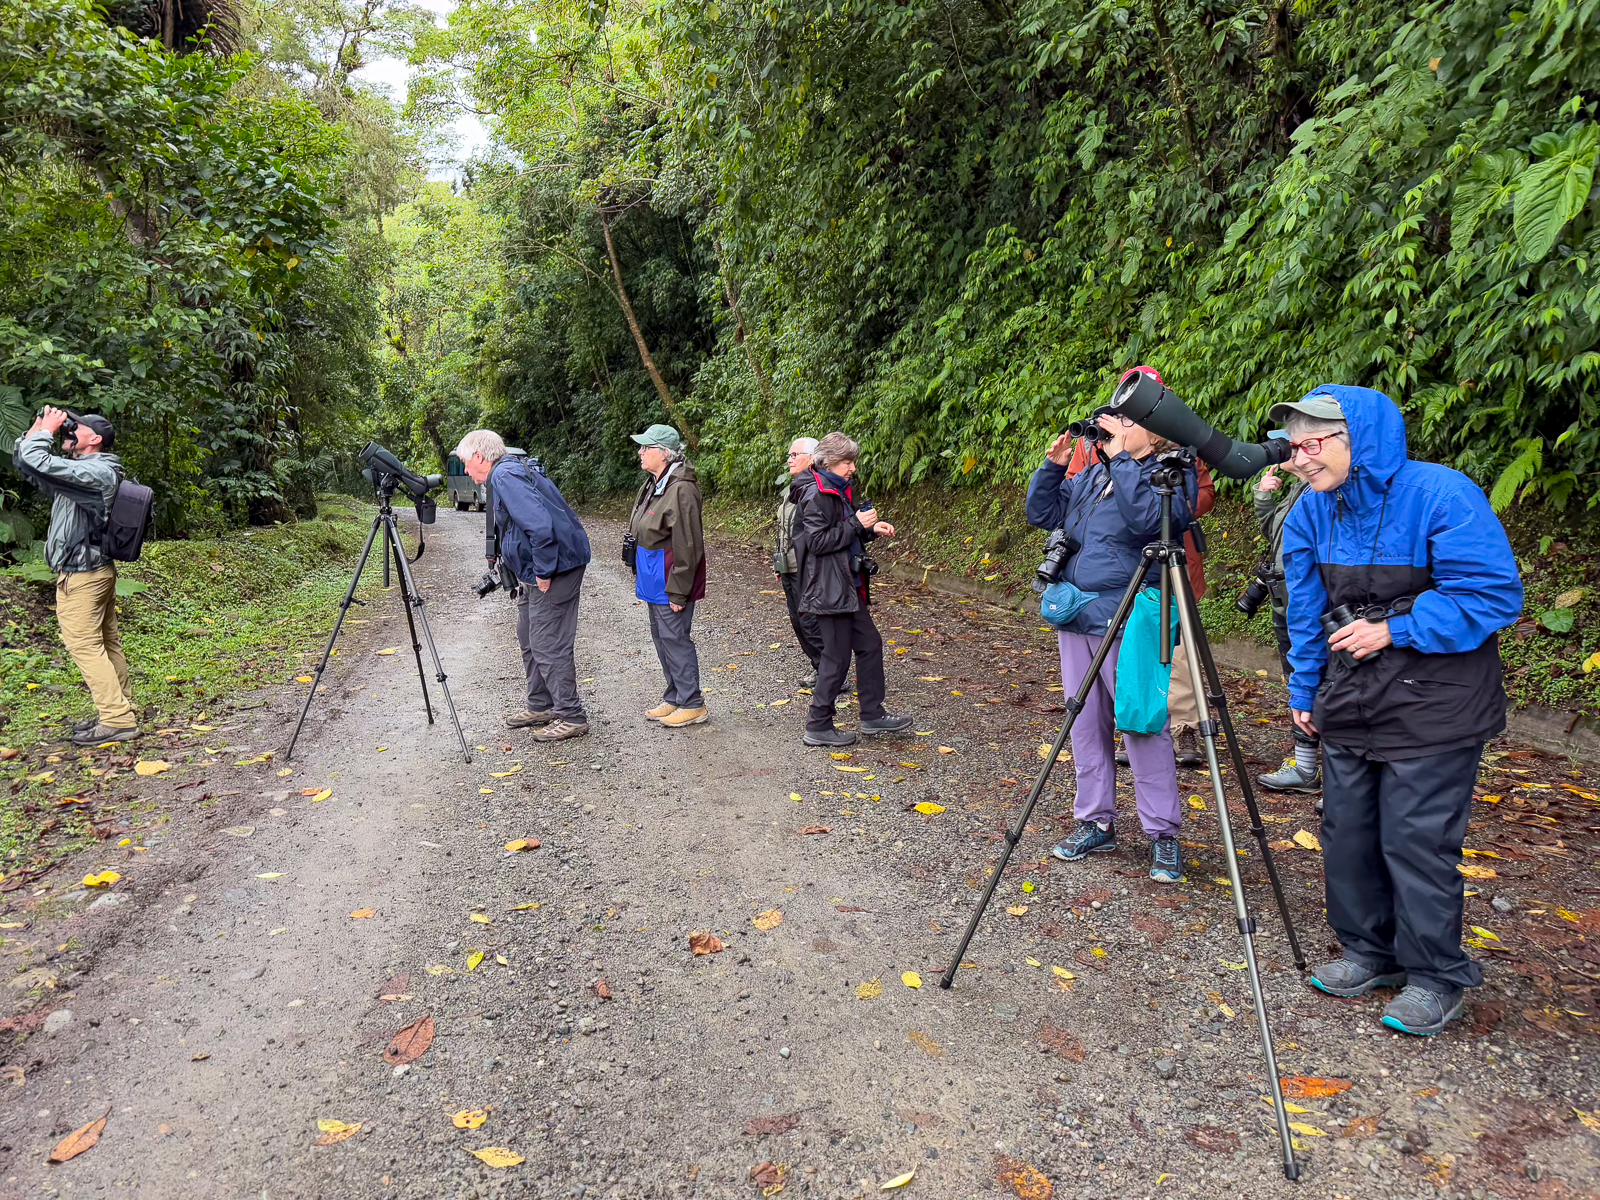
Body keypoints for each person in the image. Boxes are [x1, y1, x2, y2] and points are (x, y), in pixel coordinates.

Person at [1277, 386, 1522, 1036]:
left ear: (1359, 437)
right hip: (1351, 700)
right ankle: (1370, 951)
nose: (1298, 459)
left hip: (1437, 708)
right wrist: (1305, 690)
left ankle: (1437, 978)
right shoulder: (1310, 512)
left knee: (1415, 843)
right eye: (1292, 447)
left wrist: (1397, 628)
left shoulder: (1439, 495)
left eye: (1312, 444)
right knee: (1347, 832)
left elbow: (1494, 594)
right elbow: (1304, 611)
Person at [1026, 406, 1198, 883]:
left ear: (1152, 429)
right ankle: (1095, 821)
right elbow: (1042, 513)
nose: (1110, 431)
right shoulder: (1093, 474)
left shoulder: (1168, 475)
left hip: (1130, 617)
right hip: (1078, 614)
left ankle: (1163, 834)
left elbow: (1149, 521)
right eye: (1109, 423)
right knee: (1083, 724)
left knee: (1141, 721)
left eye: (1123, 421)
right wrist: (1055, 467)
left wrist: (1121, 460)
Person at [1063, 367, 1215, 767]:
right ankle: (1129, 736)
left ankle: (1183, 727)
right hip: (1110, 575)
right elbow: (1075, 493)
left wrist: (1171, 514)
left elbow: (1195, 497)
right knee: (1106, 687)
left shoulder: (1178, 446)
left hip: (1164, 569)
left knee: (1171, 657)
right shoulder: (1106, 439)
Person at [12, 407, 139, 746]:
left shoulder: (96, 471)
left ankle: (117, 719)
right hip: (93, 571)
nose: (68, 432)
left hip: (83, 574)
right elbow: (30, 465)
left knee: (83, 644)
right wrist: (38, 427)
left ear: (95, 440)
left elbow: (41, 460)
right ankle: (121, 707)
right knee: (105, 643)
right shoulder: (82, 472)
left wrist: (46, 433)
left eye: (75, 428)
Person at [456, 430, 593, 742]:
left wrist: (543, 570)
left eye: (465, 463)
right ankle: (541, 704)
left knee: (547, 640)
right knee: (528, 634)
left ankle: (571, 716)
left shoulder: (505, 475)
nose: (465, 470)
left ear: (479, 457)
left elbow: (540, 527)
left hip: (556, 567)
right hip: (533, 571)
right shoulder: (507, 471)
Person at [792, 432, 914, 747]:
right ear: (829, 462)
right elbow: (818, 543)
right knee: (835, 658)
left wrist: (869, 530)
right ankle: (818, 724)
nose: (853, 468)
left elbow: (842, 533)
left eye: (853, 462)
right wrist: (857, 525)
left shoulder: (836, 488)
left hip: (844, 587)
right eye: (848, 462)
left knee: (869, 644)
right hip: (829, 589)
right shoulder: (817, 493)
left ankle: (872, 714)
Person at [628, 424, 708, 727]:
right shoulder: (655, 482)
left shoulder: (682, 487)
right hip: (653, 574)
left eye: (645, 447)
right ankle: (675, 695)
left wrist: (679, 591)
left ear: (663, 453)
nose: (640, 452)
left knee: (675, 638)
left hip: (670, 577)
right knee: (662, 637)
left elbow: (688, 543)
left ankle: (692, 703)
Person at [1252, 450, 1320, 793]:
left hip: (1311, 606)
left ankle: (1318, 770)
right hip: (1286, 605)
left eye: (1287, 448)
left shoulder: (1322, 493)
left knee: (1320, 682)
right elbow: (1274, 535)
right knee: (1298, 681)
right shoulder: (1298, 492)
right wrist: (1264, 494)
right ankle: (1306, 766)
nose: (1281, 453)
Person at [773, 437, 823, 686]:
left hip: (807, 569)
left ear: (812, 458)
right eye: (789, 455)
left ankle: (829, 672)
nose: (790, 459)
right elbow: (783, 528)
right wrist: (778, 561)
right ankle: (820, 667)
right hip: (789, 567)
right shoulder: (793, 488)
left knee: (811, 620)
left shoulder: (817, 490)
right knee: (797, 620)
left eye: (795, 455)